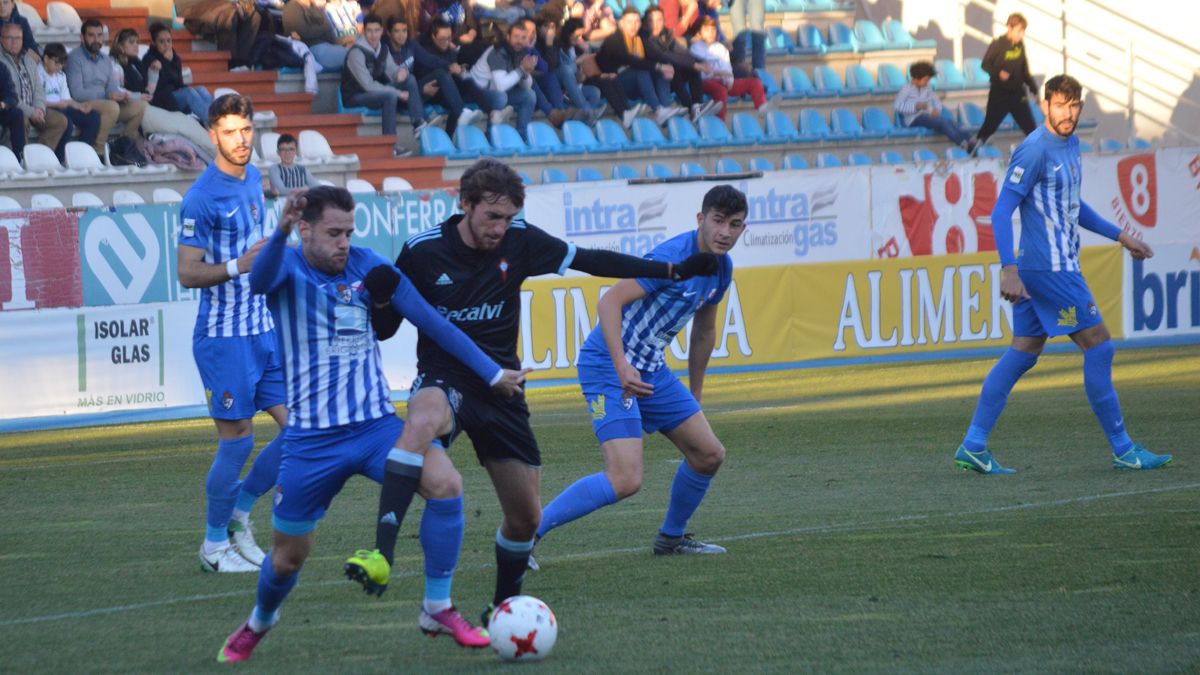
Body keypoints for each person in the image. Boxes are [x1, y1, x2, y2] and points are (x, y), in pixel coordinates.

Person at [343, 158, 722, 627]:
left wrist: (672, 269)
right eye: (491, 217)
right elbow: (384, 328)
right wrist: (380, 299)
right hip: (446, 379)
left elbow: (591, 260)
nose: (500, 228)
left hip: (503, 390)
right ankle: (384, 553)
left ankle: (502, 610)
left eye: (507, 218)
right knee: (421, 421)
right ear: (465, 205)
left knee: (524, 518)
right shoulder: (422, 252)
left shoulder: (521, 241)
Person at [216, 185, 529, 663]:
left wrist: (492, 372)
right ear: (304, 230)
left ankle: (437, 607)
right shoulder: (286, 266)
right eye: (333, 233)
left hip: (376, 429)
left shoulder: (369, 266)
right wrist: (278, 229)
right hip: (311, 442)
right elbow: (257, 281)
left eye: (349, 232)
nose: (344, 243)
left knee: (446, 483)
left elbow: (436, 324)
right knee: (287, 558)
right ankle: (260, 620)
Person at [953, 74, 1172, 475]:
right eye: (1060, 105)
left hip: (1049, 267)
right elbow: (1002, 211)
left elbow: (1072, 204)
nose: (1068, 113)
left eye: (1074, 106)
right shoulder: (1034, 150)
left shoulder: (1070, 144)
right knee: (1100, 346)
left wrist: (1121, 235)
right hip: (1049, 269)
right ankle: (1124, 449)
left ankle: (974, 444)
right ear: (1045, 105)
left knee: (1023, 352)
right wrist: (1008, 269)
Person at [535, 184, 746, 562]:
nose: (725, 232)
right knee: (626, 479)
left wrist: (695, 395)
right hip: (607, 364)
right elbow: (609, 301)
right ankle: (526, 534)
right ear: (700, 220)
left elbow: (704, 332)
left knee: (709, 454)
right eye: (718, 221)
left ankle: (671, 539)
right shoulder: (671, 259)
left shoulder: (720, 269)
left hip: (651, 370)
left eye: (735, 225)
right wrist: (621, 365)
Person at [177, 94, 287, 574]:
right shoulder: (200, 198)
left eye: (246, 130)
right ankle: (213, 545)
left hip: (261, 327)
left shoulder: (255, 180)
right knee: (238, 441)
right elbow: (187, 273)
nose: (241, 140)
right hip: (224, 337)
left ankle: (240, 516)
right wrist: (237, 266)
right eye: (230, 132)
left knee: (304, 428)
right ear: (211, 135)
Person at [342, 13, 435, 157]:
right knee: (390, 96)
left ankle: (418, 123)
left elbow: (392, 70)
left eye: (376, 30)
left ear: (382, 31)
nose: (373, 35)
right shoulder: (356, 52)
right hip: (355, 96)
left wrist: (400, 73)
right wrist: (397, 93)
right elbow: (368, 85)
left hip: (374, 93)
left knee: (409, 79)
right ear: (363, 31)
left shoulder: (382, 49)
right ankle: (390, 145)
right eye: (369, 31)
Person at [66, 19, 148, 155]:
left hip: (107, 103)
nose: (96, 40)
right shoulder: (75, 58)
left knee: (142, 106)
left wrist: (121, 96)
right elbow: (77, 93)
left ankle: (123, 144)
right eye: (91, 35)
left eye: (99, 35)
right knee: (112, 107)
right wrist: (106, 96)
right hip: (84, 104)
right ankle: (98, 151)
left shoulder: (105, 59)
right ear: (82, 38)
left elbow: (113, 87)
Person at [597, 8, 685, 126]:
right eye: (629, 22)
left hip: (636, 83)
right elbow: (631, 60)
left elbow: (656, 55)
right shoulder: (614, 39)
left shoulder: (640, 38)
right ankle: (658, 110)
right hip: (617, 84)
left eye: (637, 22)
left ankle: (665, 108)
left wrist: (667, 66)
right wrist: (659, 66)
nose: (633, 25)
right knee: (642, 71)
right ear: (621, 23)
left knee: (662, 71)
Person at [412, 17, 491, 137]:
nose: (447, 42)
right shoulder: (424, 50)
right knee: (443, 76)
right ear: (433, 37)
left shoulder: (451, 51)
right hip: (427, 91)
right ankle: (462, 113)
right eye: (442, 39)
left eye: (449, 38)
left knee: (467, 83)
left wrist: (459, 72)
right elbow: (422, 75)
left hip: (445, 92)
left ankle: (492, 114)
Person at [0, 23, 68, 159]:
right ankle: (23, 159)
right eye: (10, 38)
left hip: (34, 108)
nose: (14, 42)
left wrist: (40, 109)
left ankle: (39, 157)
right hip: (17, 109)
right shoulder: (1, 62)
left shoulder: (28, 59)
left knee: (60, 121)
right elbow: (10, 96)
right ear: (1, 39)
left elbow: (38, 89)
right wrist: (31, 112)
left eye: (18, 38)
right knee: (21, 118)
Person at [641, 6, 718, 123]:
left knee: (691, 69)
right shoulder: (644, 38)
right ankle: (690, 108)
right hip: (654, 79)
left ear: (664, 20)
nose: (655, 24)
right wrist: (693, 64)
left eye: (659, 20)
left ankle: (697, 106)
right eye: (651, 21)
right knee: (674, 66)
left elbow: (681, 52)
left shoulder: (666, 33)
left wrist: (699, 62)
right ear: (646, 23)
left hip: (669, 76)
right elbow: (664, 55)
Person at [689, 16, 770, 121]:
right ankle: (721, 121)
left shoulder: (721, 48)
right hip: (706, 82)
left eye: (713, 30)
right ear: (699, 33)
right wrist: (718, 73)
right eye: (706, 30)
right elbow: (704, 71)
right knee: (720, 90)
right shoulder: (695, 48)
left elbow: (727, 68)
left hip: (723, 82)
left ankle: (762, 107)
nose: (710, 33)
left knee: (754, 82)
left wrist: (729, 80)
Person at [975, 12, 1038, 147]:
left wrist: (1035, 90)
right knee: (989, 126)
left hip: (1017, 94)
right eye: (1019, 31)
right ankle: (974, 152)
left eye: (1023, 32)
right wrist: (999, 73)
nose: (1021, 35)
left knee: (1030, 128)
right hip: (1000, 94)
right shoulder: (998, 44)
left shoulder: (1020, 46)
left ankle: (1042, 157)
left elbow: (1025, 70)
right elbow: (985, 64)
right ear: (1010, 27)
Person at [467, 21, 537, 137]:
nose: (519, 41)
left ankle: (521, 135)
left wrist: (525, 72)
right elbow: (500, 86)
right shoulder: (498, 51)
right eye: (516, 37)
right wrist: (521, 69)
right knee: (501, 97)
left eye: (523, 37)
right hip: (476, 90)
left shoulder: (521, 52)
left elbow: (526, 85)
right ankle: (491, 136)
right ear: (508, 37)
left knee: (530, 95)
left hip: (495, 90)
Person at [383, 15, 447, 138]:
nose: (402, 35)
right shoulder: (383, 49)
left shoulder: (410, 45)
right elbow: (384, 80)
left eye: (404, 31)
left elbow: (429, 60)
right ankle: (419, 122)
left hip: (408, 94)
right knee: (410, 78)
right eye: (397, 31)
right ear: (389, 33)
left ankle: (424, 123)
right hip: (390, 95)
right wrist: (419, 89)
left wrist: (450, 65)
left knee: (440, 74)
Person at [895, 61, 977, 155]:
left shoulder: (927, 89)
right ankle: (962, 144)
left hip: (926, 116)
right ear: (916, 78)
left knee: (950, 121)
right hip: (913, 119)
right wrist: (915, 106)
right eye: (925, 80)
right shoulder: (906, 89)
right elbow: (898, 106)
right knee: (942, 122)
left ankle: (970, 140)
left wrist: (937, 109)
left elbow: (936, 101)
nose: (927, 83)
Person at [38, 43, 101, 158]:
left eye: (62, 64)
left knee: (93, 117)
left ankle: (80, 155)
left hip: (62, 107)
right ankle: (59, 158)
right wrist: (57, 104)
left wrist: (79, 106)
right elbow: (37, 100)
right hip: (46, 109)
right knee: (67, 123)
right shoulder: (38, 73)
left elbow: (66, 98)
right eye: (56, 62)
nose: (59, 67)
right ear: (46, 59)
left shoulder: (61, 75)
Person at [142, 22, 215, 119]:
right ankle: (212, 122)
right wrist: (166, 61)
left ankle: (217, 115)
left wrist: (172, 62)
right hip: (162, 99)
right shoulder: (149, 59)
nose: (166, 45)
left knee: (201, 89)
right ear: (154, 43)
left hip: (174, 95)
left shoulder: (175, 58)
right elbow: (161, 85)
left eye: (169, 41)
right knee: (188, 93)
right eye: (161, 41)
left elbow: (179, 83)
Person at [266, 132, 321, 197]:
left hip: (301, 204)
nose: (287, 153)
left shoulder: (303, 170)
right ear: (278, 152)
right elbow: (281, 190)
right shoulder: (274, 169)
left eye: (291, 149)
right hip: (282, 204)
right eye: (283, 149)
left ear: (296, 151)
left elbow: (318, 187)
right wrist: (305, 190)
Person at [0, 46, 22, 159]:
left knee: (17, 114)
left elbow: (12, 96)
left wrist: (3, 104)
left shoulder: (2, 68)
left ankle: (19, 158)